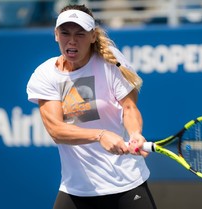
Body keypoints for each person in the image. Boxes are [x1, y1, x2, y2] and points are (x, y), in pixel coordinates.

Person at [26, 4, 157, 209]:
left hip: (127, 183)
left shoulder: (109, 61)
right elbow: (56, 130)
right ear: (56, 35)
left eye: (80, 33)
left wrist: (135, 134)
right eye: (65, 33)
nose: (72, 40)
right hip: (77, 189)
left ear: (93, 36)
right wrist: (100, 135)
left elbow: (129, 108)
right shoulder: (45, 75)